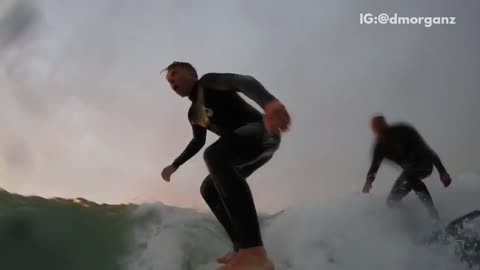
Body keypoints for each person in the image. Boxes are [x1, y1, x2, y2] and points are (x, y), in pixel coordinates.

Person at [160, 61, 290, 270]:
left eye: (175, 74)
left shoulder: (208, 82)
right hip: (243, 148)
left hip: (262, 132)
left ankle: (254, 252)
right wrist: (175, 165)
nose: (172, 81)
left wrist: (269, 104)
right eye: (169, 81)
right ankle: (240, 247)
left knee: (215, 155)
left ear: (192, 74)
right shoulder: (194, 114)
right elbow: (197, 142)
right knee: (209, 188)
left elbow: (242, 81)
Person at [362, 115, 452, 220]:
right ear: (374, 130)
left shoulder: (403, 131)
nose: (379, 131)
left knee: (409, 175)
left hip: (424, 164)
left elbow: (427, 151)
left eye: (380, 127)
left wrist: (442, 172)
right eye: (376, 129)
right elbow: (374, 167)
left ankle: (434, 215)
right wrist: (368, 183)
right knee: (391, 201)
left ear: (385, 125)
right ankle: (412, 223)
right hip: (409, 172)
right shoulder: (379, 147)